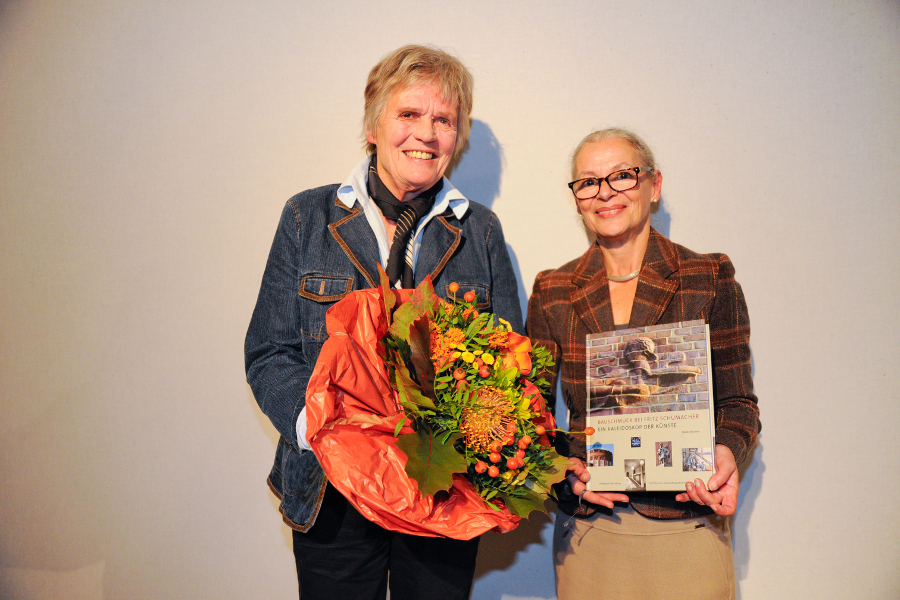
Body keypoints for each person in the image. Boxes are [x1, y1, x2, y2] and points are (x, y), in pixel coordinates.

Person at [244, 45, 522, 600]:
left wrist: (466, 446)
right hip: (332, 492)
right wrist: (323, 432)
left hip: (443, 491)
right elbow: (269, 352)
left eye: (444, 120)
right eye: (409, 114)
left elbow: (510, 365)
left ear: (456, 139)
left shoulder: (482, 232)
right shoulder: (308, 216)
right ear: (374, 126)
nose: (427, 132)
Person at [526, 128, 760, 600]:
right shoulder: (552, 288)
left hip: (688, 520)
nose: (605, 192)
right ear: (576, 199)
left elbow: (738, 402)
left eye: (623, 176)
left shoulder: (708, 276)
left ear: (653, 185)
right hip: (591, 530)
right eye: (588, 182)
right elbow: (532, 413)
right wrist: (562, 472)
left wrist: (726, 452)